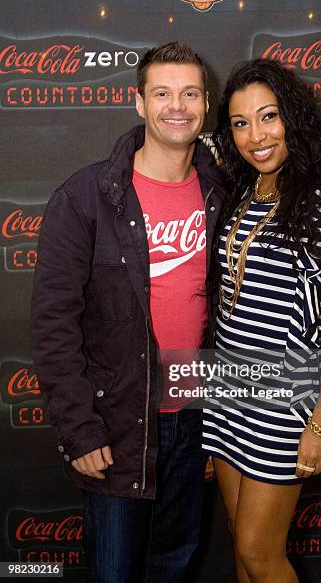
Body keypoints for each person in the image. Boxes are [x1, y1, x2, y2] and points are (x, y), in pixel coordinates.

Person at [31, 42, 225, 583]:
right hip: (117, 426)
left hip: (194, 424)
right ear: (138, 102)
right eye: (161, 93)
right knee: (114, 572)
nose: (176, 106)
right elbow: (53, 327)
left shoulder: (218, 192)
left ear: (205, 103)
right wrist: (79, 431)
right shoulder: (87, 196)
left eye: (189, 93)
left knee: (176, 566)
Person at [202, 59, 321, 583]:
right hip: (227, 390)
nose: (256, 135)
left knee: (259, 551)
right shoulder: (241, 191)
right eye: (240, 123)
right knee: (237, 535)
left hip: (285, 399)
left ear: (292, 117)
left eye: (268, 116)